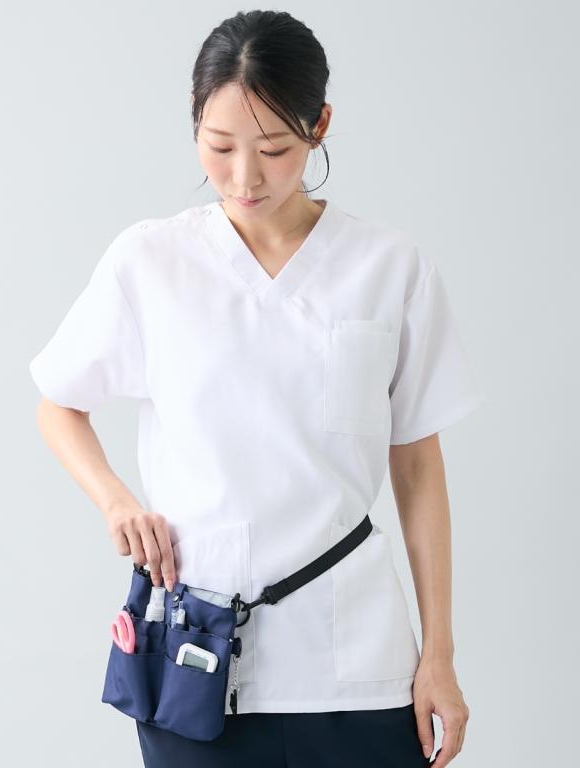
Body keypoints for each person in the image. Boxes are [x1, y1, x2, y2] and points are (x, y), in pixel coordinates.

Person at [29, 9, 485, 768]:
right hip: (197, 664)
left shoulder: (389, 267)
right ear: (193, 120)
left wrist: (438, 655)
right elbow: (58, 402)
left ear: (320, 125)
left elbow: (417, 464)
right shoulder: (152, 262)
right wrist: (116, 502)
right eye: (220, 146)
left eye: (275, 149)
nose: (246, 177)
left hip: (357, 665)